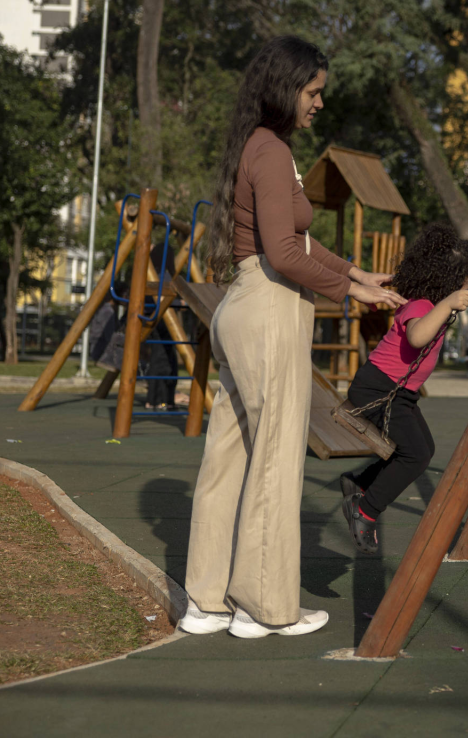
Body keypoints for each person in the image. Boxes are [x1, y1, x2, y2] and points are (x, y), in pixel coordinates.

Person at [178, 36, 404, 638]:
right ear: (286, 89)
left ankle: (206, 599)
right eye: (313, 91)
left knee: (229, 456)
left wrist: (357, 273)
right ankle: (264, 607)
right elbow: (285, 252)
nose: (319, 103)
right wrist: (351, 294)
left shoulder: (256, 146)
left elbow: (296, 241)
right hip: (269, 310)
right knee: (274, 458)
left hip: (240, 305)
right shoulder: (273, 153)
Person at [339, 223, 468, 555]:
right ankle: (365, 510)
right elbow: (417, 338)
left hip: (397, 393)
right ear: (448, 282)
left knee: (423, 450)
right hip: (378, 390)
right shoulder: (421, 306)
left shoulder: (430, 305)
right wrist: (447, 304)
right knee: (414, 454)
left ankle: (362, 484)